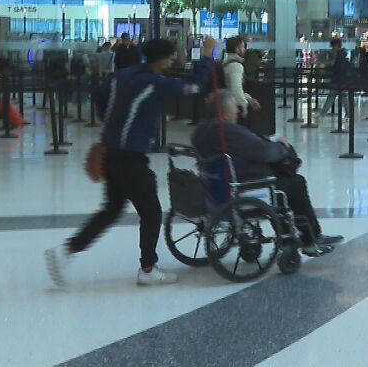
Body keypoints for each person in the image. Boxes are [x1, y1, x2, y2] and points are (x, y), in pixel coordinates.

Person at [46, 37, 215, 288]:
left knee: (111, 210)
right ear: (161, 58)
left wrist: (113, 123)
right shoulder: (153, 83)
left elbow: (99, 95)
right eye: (170, 57)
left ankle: (66, 252)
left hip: (111, 153)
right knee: (151, 212)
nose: (172, 61)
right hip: (130, 158)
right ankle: (147, 268)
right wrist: (207, 56)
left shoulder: (121, 76)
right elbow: (193, 87)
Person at [193, 90, 344, 254]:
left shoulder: (201, 131)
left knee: (282, 184)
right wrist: (282, 147)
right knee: (295, 183)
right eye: (234, 107)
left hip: (216, 189)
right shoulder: (227, 131)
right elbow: (265, 152)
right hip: (244, 187)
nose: (237, 110)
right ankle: (311, 237)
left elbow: (247, 145)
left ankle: (289, 234)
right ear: (223, 112)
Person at [222, 36, 259, 119]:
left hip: (227, 104)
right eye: (242, 47)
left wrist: (249, 99)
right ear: (237, 49)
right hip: (235, 108)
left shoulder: (226, 63)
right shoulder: (236, 66)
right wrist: (244, 105)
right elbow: (236, 89)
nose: (244, 50)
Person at [319, 38, 351, 117]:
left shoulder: (340, 55)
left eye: (333, 47)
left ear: (336, 46)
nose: (332, 48)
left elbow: (337, 68)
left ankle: (323, 114)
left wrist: (326, 67)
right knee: (341, 97)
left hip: (339, 80)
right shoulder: (342, 54)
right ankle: (349, 113)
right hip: (341, 79)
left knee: (332, 96)